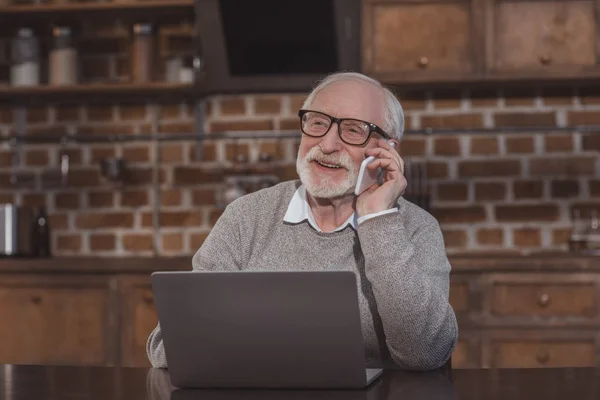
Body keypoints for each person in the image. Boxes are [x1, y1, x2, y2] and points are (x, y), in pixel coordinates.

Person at [146, 71, 458, 371]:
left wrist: (378, 219)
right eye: (318, 123)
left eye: (352, 130)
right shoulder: (246, 217)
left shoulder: (416, 227)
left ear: (386, 150)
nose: (327, 144)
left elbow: (425, 353)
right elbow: (167, 347)